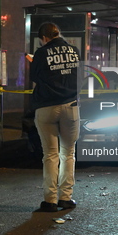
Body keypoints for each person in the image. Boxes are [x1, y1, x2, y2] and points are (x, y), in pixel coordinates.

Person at [30, 22, 81, 212]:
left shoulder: (42, 53)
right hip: (71, 105)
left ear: (44, 38)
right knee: (68, 153)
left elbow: (34, 76)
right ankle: (66, 198)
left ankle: (50, 200)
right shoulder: (74, 50)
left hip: (47, 107)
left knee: (50, 154)